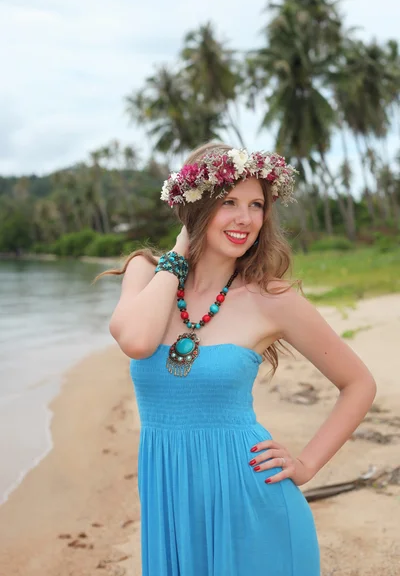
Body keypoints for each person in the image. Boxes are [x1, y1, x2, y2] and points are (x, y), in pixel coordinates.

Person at [102, 142, 377, 576]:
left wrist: (306, 464)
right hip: (170, 502)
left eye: (256, 205)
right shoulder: (146, 272)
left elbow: (359, 384)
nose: (245, 219)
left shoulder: (272, 300)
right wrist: (177, 256)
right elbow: (136, 341)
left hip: (251, 503)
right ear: (195, 207)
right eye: (228, 202)